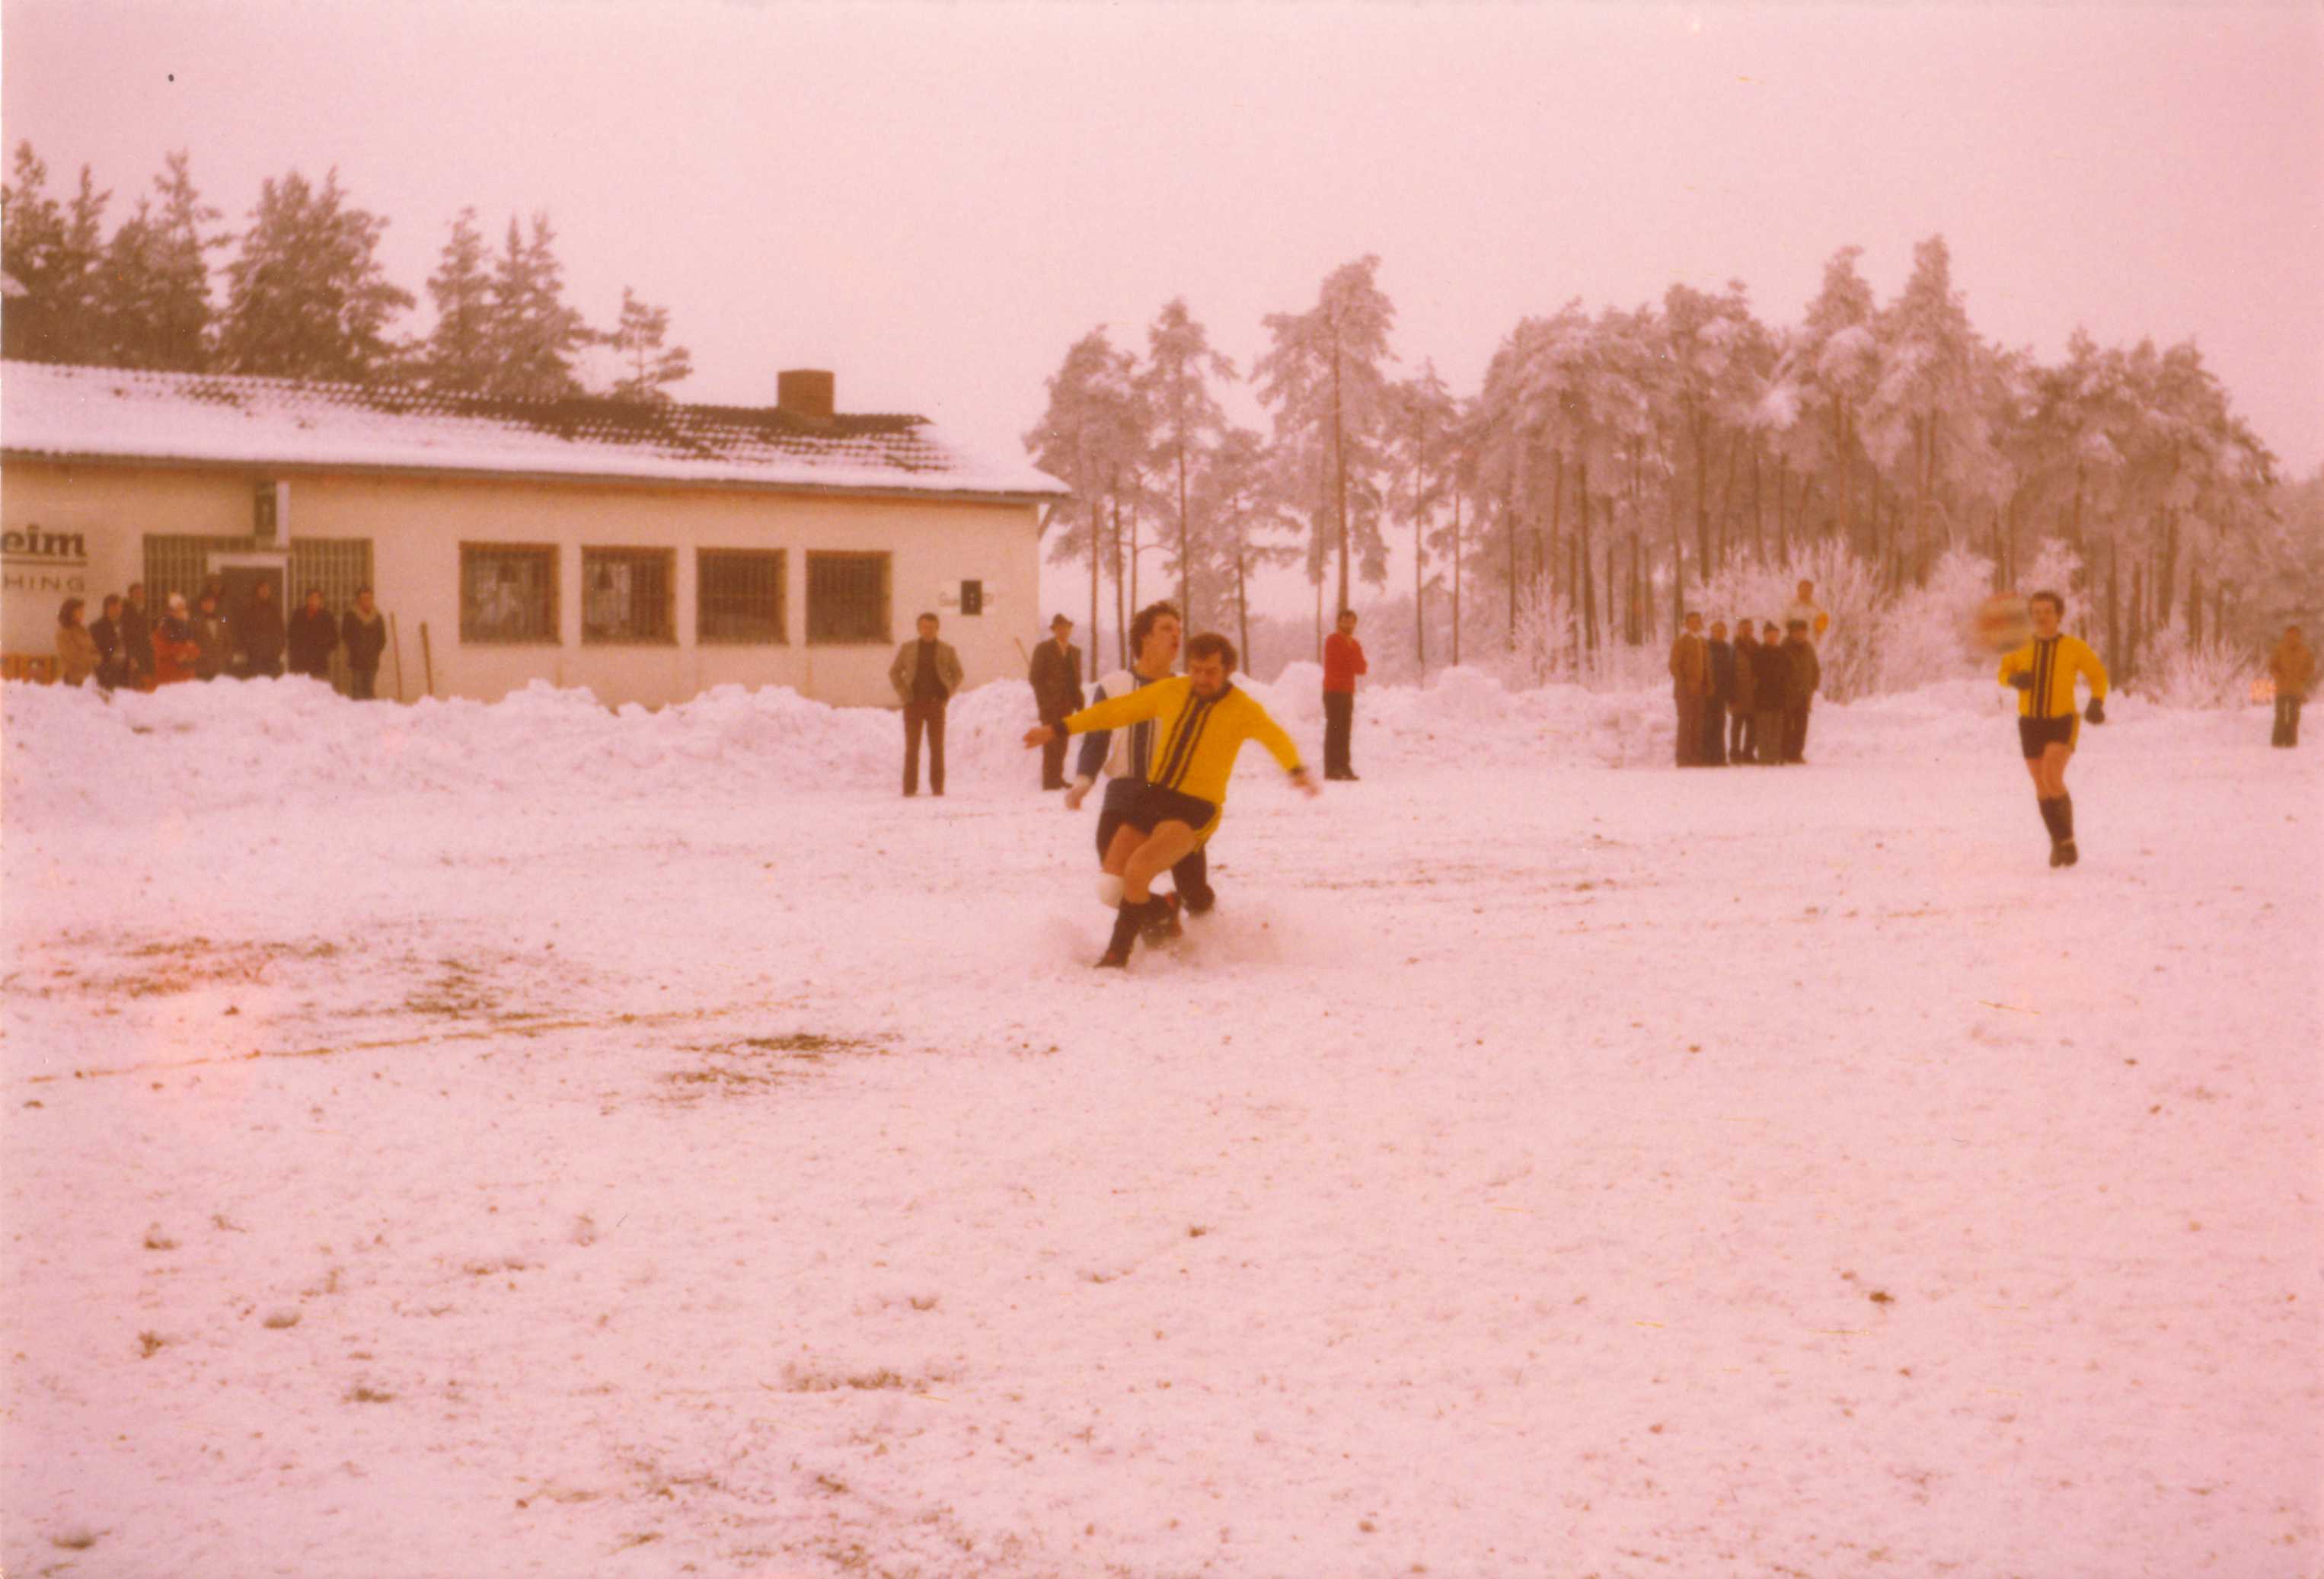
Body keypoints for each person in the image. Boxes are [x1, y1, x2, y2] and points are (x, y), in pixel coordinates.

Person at [1026, 631, 1316, 969]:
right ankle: (1164, 913)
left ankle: (1116, 956)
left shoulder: (1243, 709)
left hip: (1195, 809)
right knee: (1110, 886)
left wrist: (1295, 769)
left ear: (1227, 671)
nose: (1202, 678)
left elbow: (1275, 736)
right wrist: (1058, 728)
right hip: (1154, 796)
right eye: (1195, 669)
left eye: (1210, 671)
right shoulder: (1172, 691)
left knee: (1139, 870)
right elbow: (1114, 711)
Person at [1067, 601, 1218, 925]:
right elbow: (1096, 739)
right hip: (1124, 794)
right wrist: (1082, 784)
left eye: (1179, 630)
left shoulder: (1189, 690)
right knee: (1112, 886)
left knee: (1194, 891)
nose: (1176, 636)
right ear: (1145, 637)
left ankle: (1213, 943)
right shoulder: (1113, 685)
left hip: (1174, 798)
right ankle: (1161, 922)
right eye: (1166, 628)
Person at [1997, 590, 2109, 867]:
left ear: (2059, 615)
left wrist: (2096, 702)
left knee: (2051, 775)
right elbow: (2003, 673)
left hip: (2061, 721)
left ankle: (2067, 842)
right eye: (2036, 612)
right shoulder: (2020, 645)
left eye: (2048, 611)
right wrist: (2015, 680)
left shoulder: (2073, 647)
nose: (2042, 617)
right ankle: (2057, 842)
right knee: (2040, 784)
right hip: (2030, 722)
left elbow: (2098, 675)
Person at [888, 612, 963, 797]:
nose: (928, 631)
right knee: (912, 748)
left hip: (936, 706)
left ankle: (937, 788)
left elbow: (958, 674)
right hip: (913, 704)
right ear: (919, 629)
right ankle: (909, 789)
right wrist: (904, 694)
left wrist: (947, 694)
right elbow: (895, 672)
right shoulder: (908, 649)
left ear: (937, 629)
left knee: (937, 749)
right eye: (924, 627)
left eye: (931, 627)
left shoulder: (947, 650)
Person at [1027, 613, 1084, 790]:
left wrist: (1078, 701)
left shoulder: (1075, 652)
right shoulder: (1043, 649)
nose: (1063, 631)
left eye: (1066, 627)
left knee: (1063, 740)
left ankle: (1058, 777)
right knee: (1050, 741)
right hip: (1049, 704)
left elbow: (1076, 679)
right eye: (1059, 627)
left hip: (1068, 703)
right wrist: (1044, 700)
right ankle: (1049, 781)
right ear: (1054, 630)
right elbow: (1035, 677)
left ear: (1070, 629)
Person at [1321, 606, 1368, 781]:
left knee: (1345, 729)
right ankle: (1331, 768)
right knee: (1334, 728)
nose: (1349, 624)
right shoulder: (1332, 640)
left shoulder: (1355, 644)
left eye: (1352, 621)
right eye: (1345, 620)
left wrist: (1352, 658)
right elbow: (1338, 661)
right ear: (1339, 622)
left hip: (1347, 691)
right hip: (1332, 690)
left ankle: (1344, 766)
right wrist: (1352, 658)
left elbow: (1362, 669)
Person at [1668, 611, 1709, 766]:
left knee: (1698, 723)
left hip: (1700, 690)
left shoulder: (1703, 642)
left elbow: (1707, 667)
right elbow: (1674, 666)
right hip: (1685, 691)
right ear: (1686, 624)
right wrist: (1684, 685)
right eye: (1692, 622)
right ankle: (1683, 758)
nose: (1696, 624)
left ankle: (1696, 757)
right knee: (1686, 723)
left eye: (1698, 622)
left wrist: (1708, 685)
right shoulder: (1681, 641)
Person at [1779, 618, 1821, 764]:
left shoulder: (1809, 648)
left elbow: (1815, 668)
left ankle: (1797, 753)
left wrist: (1813, 685)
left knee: (1801, 725)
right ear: (1791, 632)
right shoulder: (1784, 647)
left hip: (1804, 694)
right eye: (1797, 632)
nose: (1800, 635)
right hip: (1788, 693)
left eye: (1803, 632)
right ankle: (1784, 753)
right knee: (1786, 725)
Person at [2267, 624, 2313, 749]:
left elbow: (2310, 667)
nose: (2293, 638)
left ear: (2299, 636)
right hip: (2282, 688)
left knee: (2293, 715)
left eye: (2296, 635)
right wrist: (2278, 676)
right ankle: (2278, 742)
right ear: (2287, 635)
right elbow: (2272, 666)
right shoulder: (2280, 649)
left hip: (2296, 689)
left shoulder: (2305, 651)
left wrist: (2302, 677)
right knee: (2281, 715)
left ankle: (2290, 742)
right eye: (2291, 635)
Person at [1752, 620, 1788, 766]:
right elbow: (1755, 674)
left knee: (1777, 728)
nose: (1773, 638)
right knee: (1764, 728)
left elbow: (1788, 673)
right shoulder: (1759, 653)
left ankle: (1775, 754)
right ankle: (1764, 756)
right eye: (1770, 635)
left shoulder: (1782, 653)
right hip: (1763, 695)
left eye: (1775, 635)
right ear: (1765, 636)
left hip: (1778, 696)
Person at [343, 587, 389, 700]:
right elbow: (346, 635)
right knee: (357, 691)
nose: (366, 601)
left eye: (369, 598)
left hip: (372, 660)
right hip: (356, 659)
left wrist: (375, 651)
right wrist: (355, 649)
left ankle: (371, 716)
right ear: (358, 600)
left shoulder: (378, 617)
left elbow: (382, 639)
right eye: (363, 598)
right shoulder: (351, 615)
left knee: (369, 690)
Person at [235, 580, 286, 678]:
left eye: (267, 589)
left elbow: (280, 630)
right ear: (257, 591)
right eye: (262, 589)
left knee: (272, 687)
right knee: (256, 685)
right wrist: (252, 647)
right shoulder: (249, 609)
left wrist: (279, 648)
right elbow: (244, 630)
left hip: (273, 656)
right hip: (256, 656)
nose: (265, 592)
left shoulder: (274, 609)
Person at [287, 587, 339, 680]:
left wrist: (324, 648)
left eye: (316, 598)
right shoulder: (298, 615)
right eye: (310, 598)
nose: (313, 601)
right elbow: (291, 634)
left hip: (319, 663)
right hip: (300, 663)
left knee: (318, 691)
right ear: (307, 600)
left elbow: (334, 639)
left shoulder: (327, 617)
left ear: (320, 600)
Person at [1703, 619, 1735, 766]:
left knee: (1720, 725)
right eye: (1717, 631)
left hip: (1722, 692)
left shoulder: (1729, 649)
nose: (1720, 634)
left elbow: (1731, 672)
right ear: (1712, 632)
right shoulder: (1705, 647)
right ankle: (1707, 756)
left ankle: (1719, 757)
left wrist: (1731, 695)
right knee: (1707, 724)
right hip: (1707, 692)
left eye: (1722, 631)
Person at [152, 593, 200, 686]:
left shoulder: (188, 630)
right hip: (168, 677)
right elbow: (160, 650)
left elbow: (196, 651)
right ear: (170, 612)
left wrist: (187, 655)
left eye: (184, 609)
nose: (184, 613)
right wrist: (182, 652)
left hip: (187, 677)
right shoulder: (162, 631)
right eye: (179, 610)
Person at [1729, 620, 1760, 763]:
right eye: (1744, 629)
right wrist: (1730, 696)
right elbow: (1727, 673)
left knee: (1753, 726)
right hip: (1738, 693)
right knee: (1737, 725)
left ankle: (1748, 753)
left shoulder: (1757, 647)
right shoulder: (1732, 649)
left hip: (1754, 693)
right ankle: (1735, 753)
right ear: (1738, 630)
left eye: (1750, 629)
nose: (1747, 632)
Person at [120, 582, 156, 690]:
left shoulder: (145, 610)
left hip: (147, 654)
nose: (140, 595)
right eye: (137, 593)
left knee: (149, 683)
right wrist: (131, 657)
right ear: (131, 595)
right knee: (137, 685)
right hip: (135, 655)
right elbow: (126, 637)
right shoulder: (126, 612)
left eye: (142, 593)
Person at [56, 597, 99, 686]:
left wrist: (97, 658)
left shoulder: (83, 630)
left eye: (83, 610)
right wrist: (93, 660)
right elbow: (73, 655)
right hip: (72, 678)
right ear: (70, 613)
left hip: (88, 676)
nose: (83, 613)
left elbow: (94, 649)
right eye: (80, 611)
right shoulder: (63, 632)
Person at [88, 594, 126, 691]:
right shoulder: (96, 627)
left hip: (125, 670)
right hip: (106, 670)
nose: (117, 610)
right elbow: (95, 649)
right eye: (113, 607)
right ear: (106, 609)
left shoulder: (126, 625)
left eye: (119, 606)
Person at [191, 590, 231, 681]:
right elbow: (192, 642)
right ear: (201, 604)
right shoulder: (195, 621)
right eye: (206, 602)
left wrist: (225, 658)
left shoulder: (223, 620)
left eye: (211, 602)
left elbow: (229, 642)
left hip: (220, 668)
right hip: (202, 668)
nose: (209, 605)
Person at [1783, 579, 1831, 646]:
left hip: (1810, 643)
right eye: (1802, 590)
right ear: (1798, 591)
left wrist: (1819, 633)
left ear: (1811, 592)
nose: (1804, 593)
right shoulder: (1791, 606)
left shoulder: (1817, 608)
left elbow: (1823, 623)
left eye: (1807, 590)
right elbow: (1783, 624)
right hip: (1792, 643)